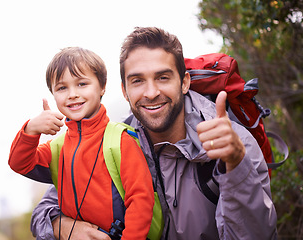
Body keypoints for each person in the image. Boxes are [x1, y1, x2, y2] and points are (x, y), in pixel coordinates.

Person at [31, 27, 277, 240]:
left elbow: (258, 234)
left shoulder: (234, 142)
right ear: (125, 91)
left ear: (184, 82)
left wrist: (235, 165)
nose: (150, 92)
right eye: (137, 81)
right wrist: (60, 226)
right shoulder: (114, 141)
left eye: (163, 77)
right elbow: (47, 207)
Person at [8, 47, 155, 240]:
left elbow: (141, 199)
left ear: (102, 86)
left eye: (82, 84)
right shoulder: (58, 147)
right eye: (62, 88)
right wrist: (31, 130)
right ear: (53, 94)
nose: (72, 94)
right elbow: (19, 163)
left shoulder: (120, 139)